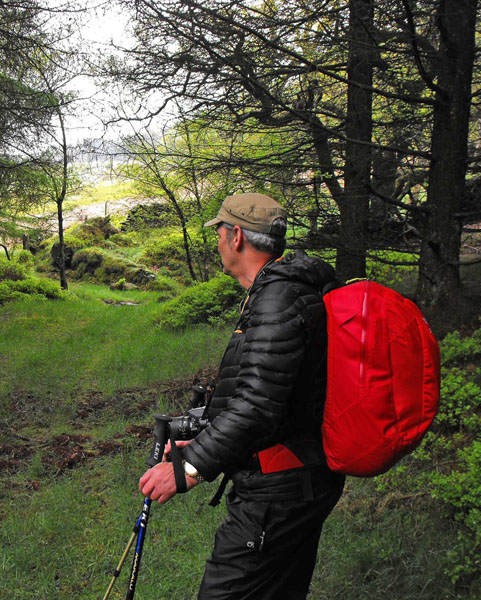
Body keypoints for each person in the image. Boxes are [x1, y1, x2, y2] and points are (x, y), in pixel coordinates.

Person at [139, 192, 345, 599]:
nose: (217, 241)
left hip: (280, 488)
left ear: (236, 237)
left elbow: (258, 406)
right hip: (296, 479)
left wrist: (189, 467)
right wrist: (203, 435)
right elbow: (274, 392)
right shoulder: (281, 291)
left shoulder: (278, 298)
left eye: (218, 231)